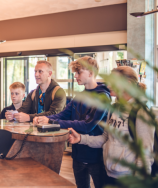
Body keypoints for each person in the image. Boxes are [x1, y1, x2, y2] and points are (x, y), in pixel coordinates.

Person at [67, 66, 156, 187]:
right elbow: (105, 139)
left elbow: (145, 154)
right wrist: (81, 138)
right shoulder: (113, 109)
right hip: (109, 174)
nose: (108, 86)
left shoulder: (141, 112)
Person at [34, 56, 111, 188]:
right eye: (75, 73)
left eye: (79, 72)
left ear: (91, 73)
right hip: (78, 154)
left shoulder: (102, 97)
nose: (75, 76)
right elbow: (63, 115)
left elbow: (87, 126)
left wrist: (51, 121)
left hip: (95, 156)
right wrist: (44, 119)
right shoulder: (79, 96)